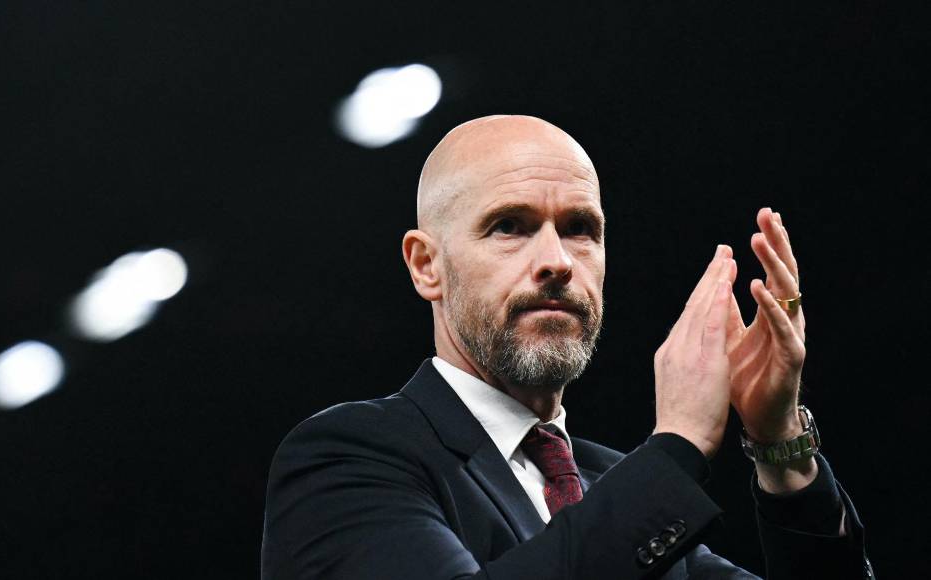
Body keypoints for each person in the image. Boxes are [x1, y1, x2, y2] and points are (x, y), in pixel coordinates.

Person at [261, 115, 873, 578]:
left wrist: (779, 444)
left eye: (581, 229)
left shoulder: (614, 487)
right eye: (509, 226)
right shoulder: (346, 458)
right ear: (427, 265)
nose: (557, 260)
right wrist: (681, 441)